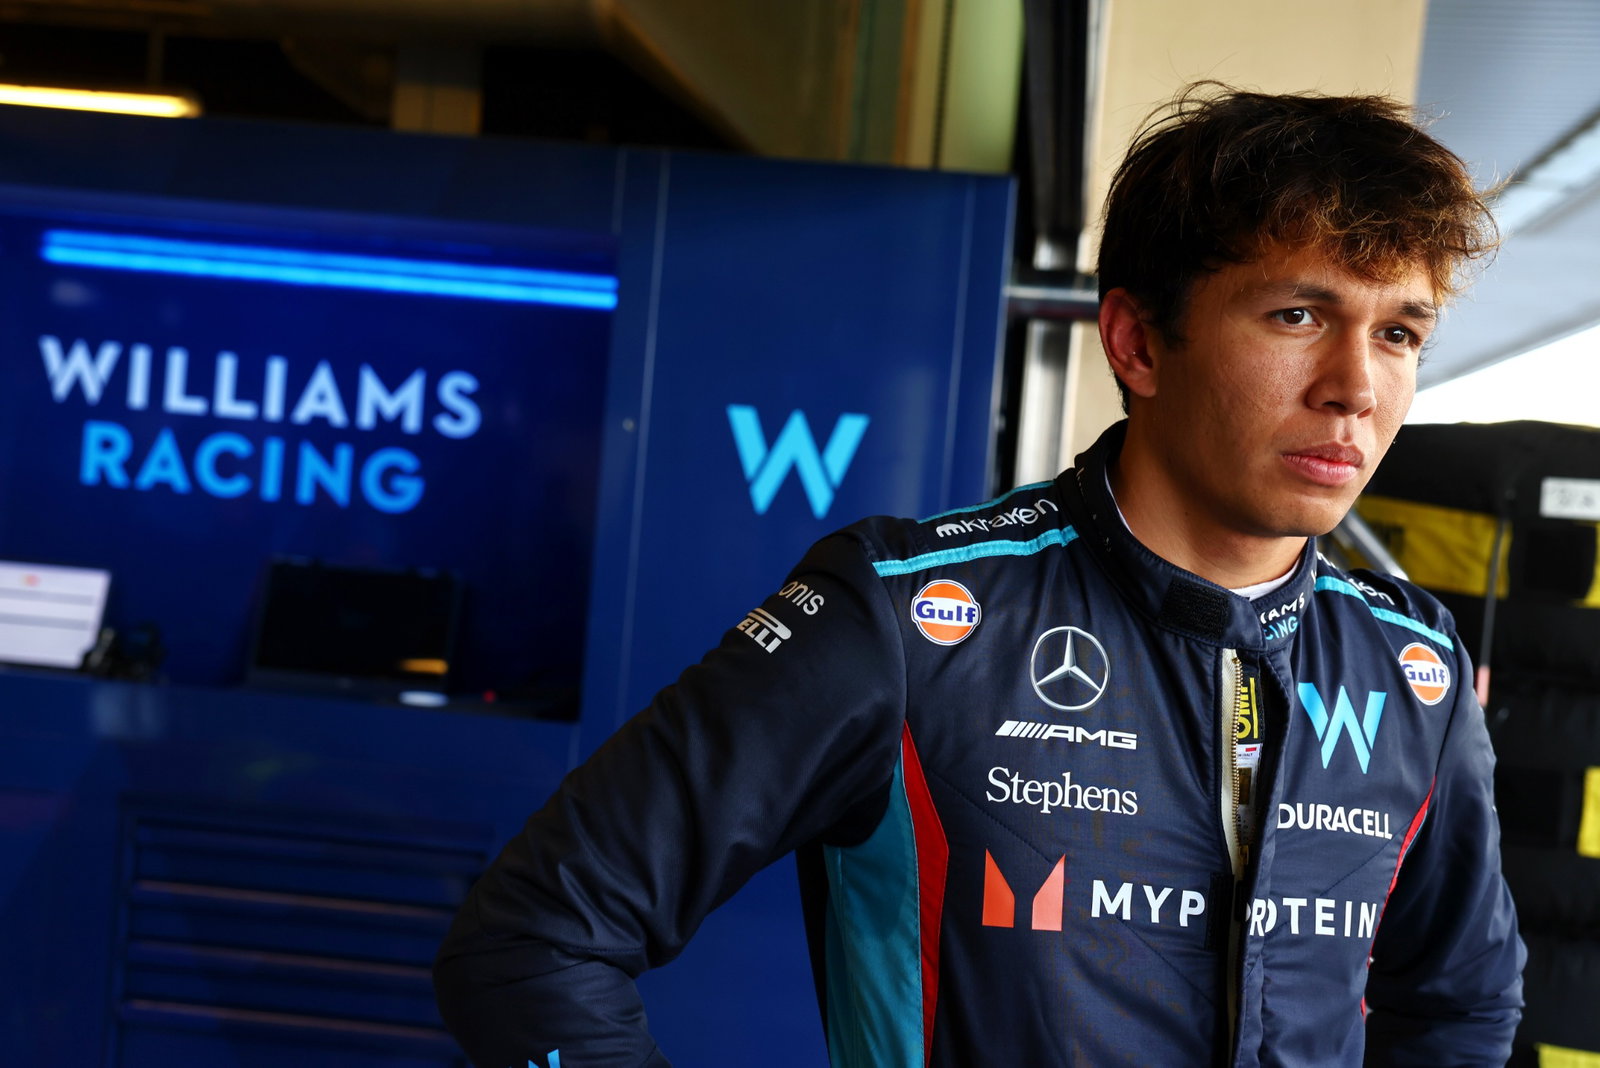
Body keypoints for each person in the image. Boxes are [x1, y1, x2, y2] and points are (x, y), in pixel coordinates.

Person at [434, 85, 1525, 1066]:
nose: (1355, 386)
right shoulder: (904, 616)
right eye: (1297, 315)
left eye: (1398, 334)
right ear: (1138, 346)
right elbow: (533, 943)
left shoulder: (1412, 670)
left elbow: (1461, 1006)